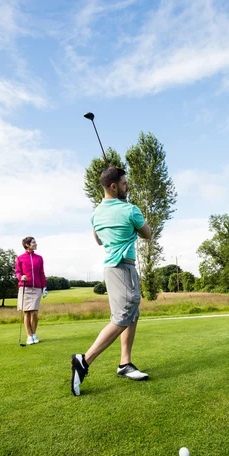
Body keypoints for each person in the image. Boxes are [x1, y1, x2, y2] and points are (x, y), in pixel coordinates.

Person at [71, 166, 151, 396]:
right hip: (123, 267)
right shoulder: (130, 210)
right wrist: (133, 218)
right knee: (124, 315)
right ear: (114, 186)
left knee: (131, 314)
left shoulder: (95, 214)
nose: (127, 186)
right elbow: (148, 234)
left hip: (110, 268)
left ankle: (125, 364)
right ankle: (84, 360)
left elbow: (98, 240)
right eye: (125, 183)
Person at [15, 236, 48, 345]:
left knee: (34, 313)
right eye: (33, 242)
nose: (35, 244)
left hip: (36, 288)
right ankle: (29, 336)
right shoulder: (20, 258)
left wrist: (44, 287)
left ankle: (34, 334)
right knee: (27, 313)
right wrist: (21, 277)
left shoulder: (39, 258)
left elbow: (41, 273)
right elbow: (17, 272)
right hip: (25, 287)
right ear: (27, 245)